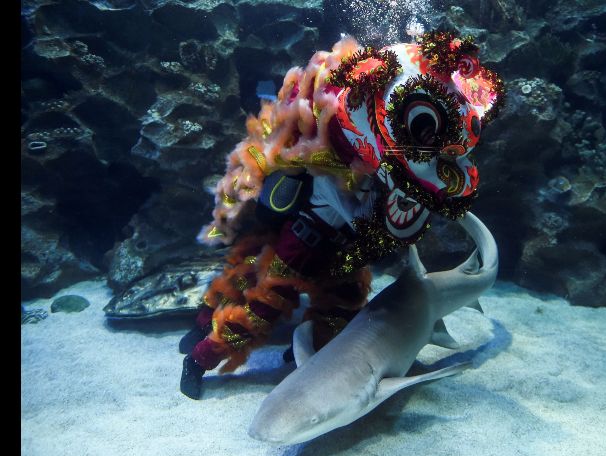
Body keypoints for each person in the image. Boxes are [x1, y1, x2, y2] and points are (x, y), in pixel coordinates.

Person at [180, 30, 505, 399]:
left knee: (340, 315)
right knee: (258, 303)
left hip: (344, 253)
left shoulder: (380, 166)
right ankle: (199, 357)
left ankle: (305, 358)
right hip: (301, 245)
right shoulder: (328, 162)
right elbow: (349, 211)